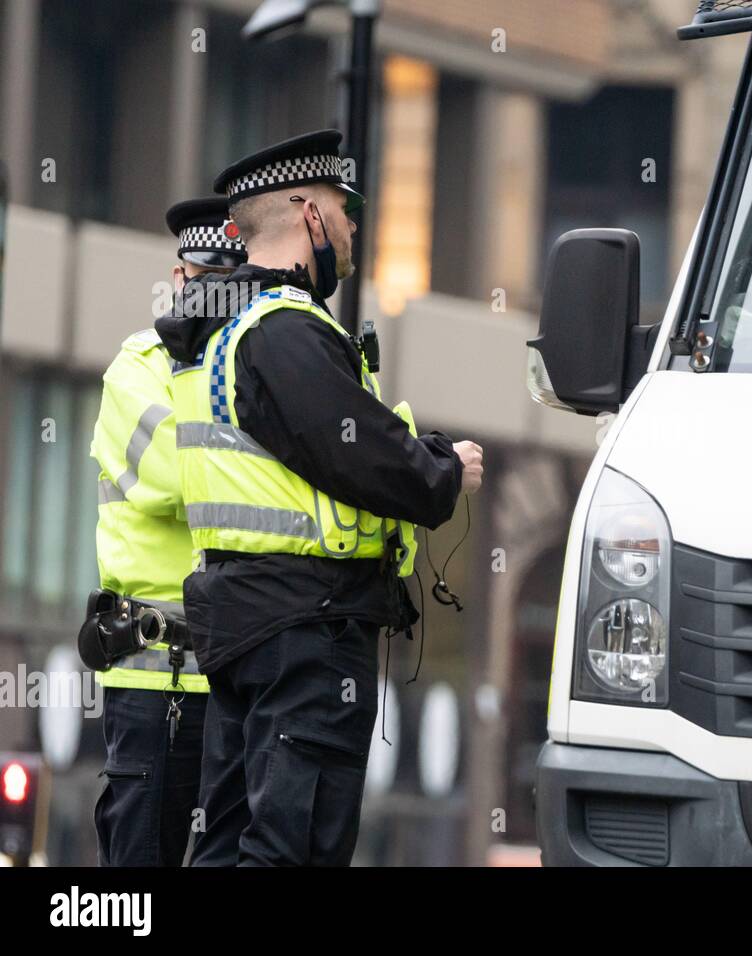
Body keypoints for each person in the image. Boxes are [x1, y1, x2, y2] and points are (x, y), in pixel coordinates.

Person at [156, 129, 483, 866]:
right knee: (295, 844)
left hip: (247, 619)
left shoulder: (222, 332)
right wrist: (441, 470)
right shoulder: (285, 331)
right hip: (306, 625)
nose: (353, 226)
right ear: (307, 213)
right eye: (343, 207)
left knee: (233, 841)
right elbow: (356, 451)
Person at [86, 198, 247, 866]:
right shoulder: (138, 368)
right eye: (203, 280)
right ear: (179, 279)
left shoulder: (258, 362)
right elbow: (178, 479)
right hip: (156, 686)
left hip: (240, 679)